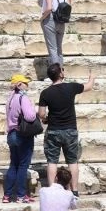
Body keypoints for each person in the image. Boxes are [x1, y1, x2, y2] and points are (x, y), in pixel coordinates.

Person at [38, 63, 96, 195]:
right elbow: (89, 87)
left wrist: (46, 119)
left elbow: (41, 114)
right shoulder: (71, 87)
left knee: (52, 161)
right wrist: (92, 78)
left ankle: (52, 191)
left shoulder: (46, 93)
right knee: (72, 161)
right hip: (70, 130)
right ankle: (74, 190)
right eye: (62, 70)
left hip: (53, 130)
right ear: (61, 74)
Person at [3, 74, 38, 204]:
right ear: (19, 85)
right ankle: (21, 195)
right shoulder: (23, 98)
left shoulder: (9, 99)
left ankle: (7, 195)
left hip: (11, 134)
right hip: (22, 135)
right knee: (23, 166)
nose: (27, 85)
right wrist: (33, 107)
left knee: (13, 165)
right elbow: (29, 117)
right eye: (25, 83)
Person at [41, 0, 70, 67]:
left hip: (51, 20)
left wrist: (42, 18)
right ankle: (61, 72)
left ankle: (56, 75)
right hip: (62, 21)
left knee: (52, 48)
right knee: (59, 48)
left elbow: (49, 8)